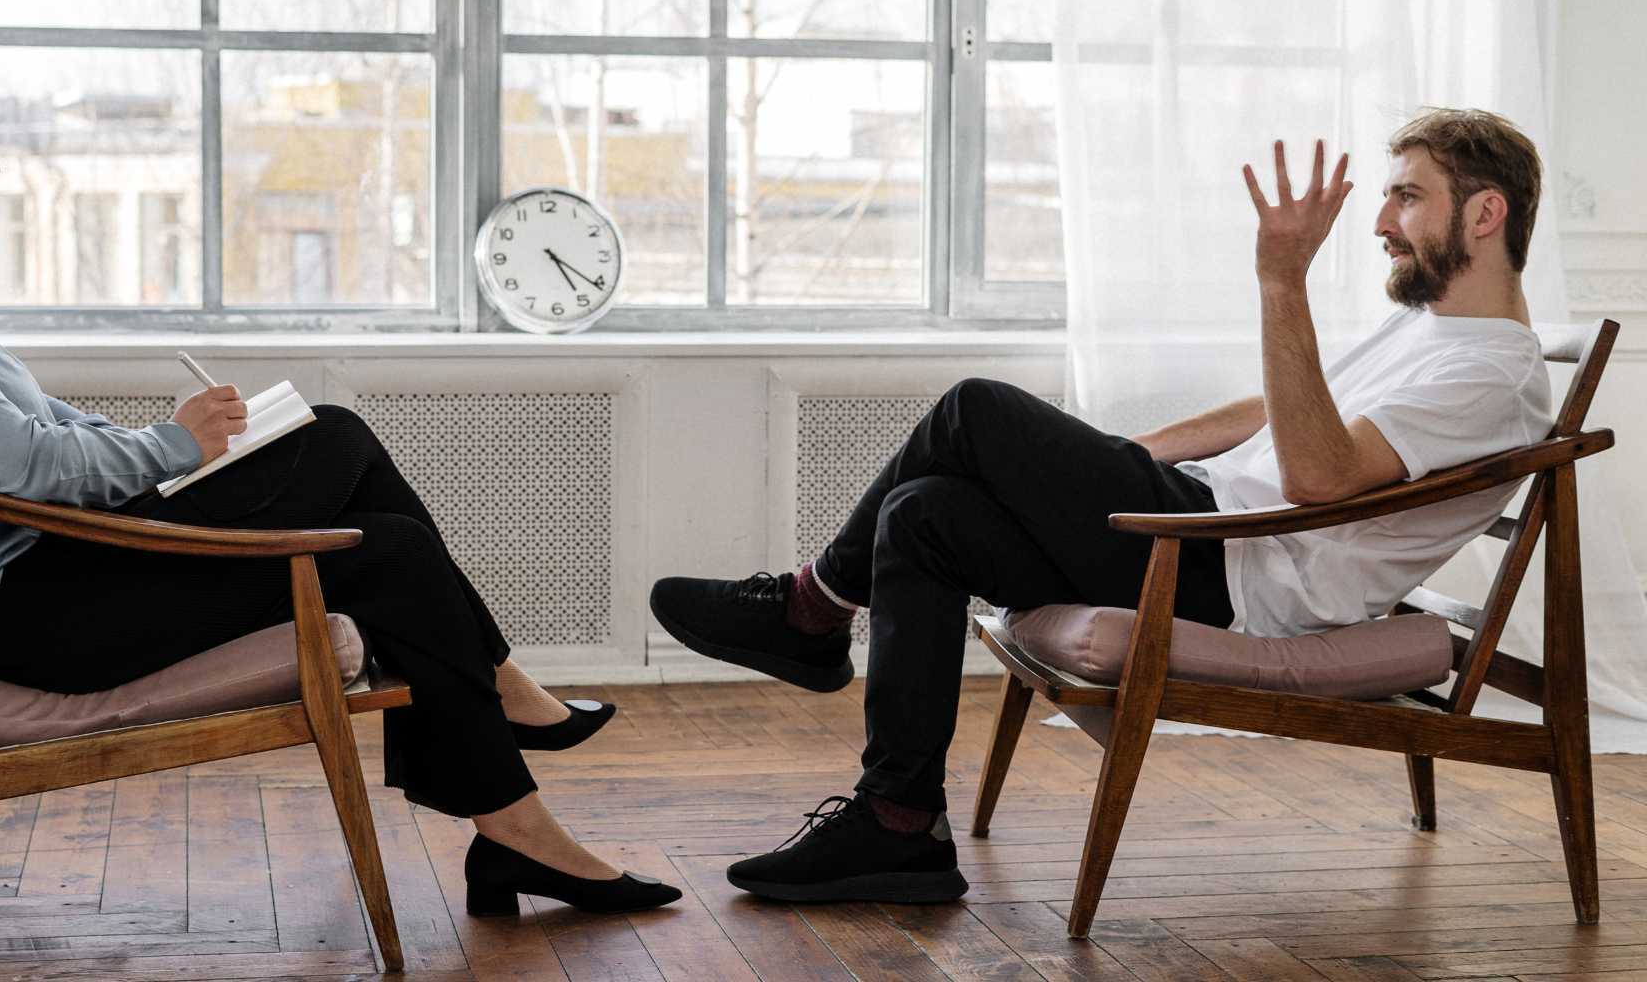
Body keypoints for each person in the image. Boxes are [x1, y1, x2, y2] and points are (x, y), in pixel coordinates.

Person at [0, 27, 679, 917]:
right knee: (336, 442)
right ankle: (505, 713)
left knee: (385, 539)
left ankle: (515, 825)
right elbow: (24, 467)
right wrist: (175, 447)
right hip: (22, 616)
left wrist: (179, 447)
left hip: (39, 582)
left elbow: (27, 432)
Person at [651, 109, 1553, 904]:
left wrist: (1281, 282)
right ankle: (898, 822)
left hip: (1230, 572)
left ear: (1485, 212)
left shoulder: (1489, 375)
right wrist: (1119, 460)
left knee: (975, 407)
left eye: (1407, 197)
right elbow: (1276, 409)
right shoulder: (1432, 329)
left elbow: (1319, 476)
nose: (1382, 223)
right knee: (922, 512)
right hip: (1201, 523)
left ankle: (811, 611)